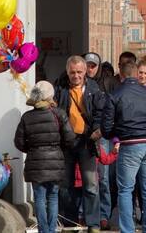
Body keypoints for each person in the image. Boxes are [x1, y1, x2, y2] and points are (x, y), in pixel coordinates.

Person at [54, 55, 110, 231]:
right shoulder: (60, 88)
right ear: (67, 71)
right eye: (72, 72)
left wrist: (97, 130)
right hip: (66, 142)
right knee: (65, 185)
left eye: (79, 72)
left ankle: (93, 223)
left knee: (91, 184)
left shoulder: (94, 88)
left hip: (87, 141)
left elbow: (101, 112)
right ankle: (69, 223)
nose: (76, 75)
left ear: (85, 71)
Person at [105, 59, 146, 233]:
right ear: (136, 74)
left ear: (121, 74)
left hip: (130, 144)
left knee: (125, 190)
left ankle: (127, 230)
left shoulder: (115, 94)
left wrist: (116, 134)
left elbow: (106, 127)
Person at [15, 81, 77, 233]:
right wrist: (58, 149)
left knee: (40, 198)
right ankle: (52, 229)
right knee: (53, 197)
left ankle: (44, 231)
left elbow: (19, 142)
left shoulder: (26, 117)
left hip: (35, 163)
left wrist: (32, 150)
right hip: (55, 161)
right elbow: (70, 138)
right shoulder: (59, 114)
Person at [88, 53, 121, 230]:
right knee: (85, 179)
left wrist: (107, 131)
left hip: (103, 135)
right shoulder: (76, 82)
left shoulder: (109, 82)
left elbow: (114, 109)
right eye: (88, 65)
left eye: (93, 65)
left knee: (104, 179)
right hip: (85, 136)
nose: (90, 69)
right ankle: (87, 214)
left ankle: (103, 215)